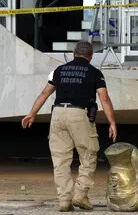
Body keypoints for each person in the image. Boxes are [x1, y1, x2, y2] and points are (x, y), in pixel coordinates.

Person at [21, 41, 117, 212]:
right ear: (91, 56)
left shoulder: (60, 70)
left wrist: (32, 113)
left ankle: (65, 201)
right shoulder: (94, 72)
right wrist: (112, 122)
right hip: (79, 114)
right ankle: (80, 195)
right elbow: (104, 98)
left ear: (74, 54)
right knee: (88, 156)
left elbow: (45, 93)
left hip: (57, 114)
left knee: (60, 161)